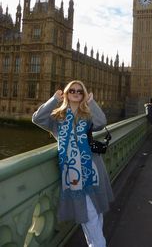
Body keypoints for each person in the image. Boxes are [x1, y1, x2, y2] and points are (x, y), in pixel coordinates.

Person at [32, 80, 114, 247]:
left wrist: (91, 102)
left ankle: (95, 244)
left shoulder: (87, 114)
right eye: (72, 90)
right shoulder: (57, 116)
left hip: (92, 168)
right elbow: (37, 118)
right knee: (89, 213)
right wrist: (54, 99)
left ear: (83, 95)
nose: (76, 93)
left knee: (95, 212)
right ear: (67, 93)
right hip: (72, 172)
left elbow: (101, 122)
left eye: (80, 91)